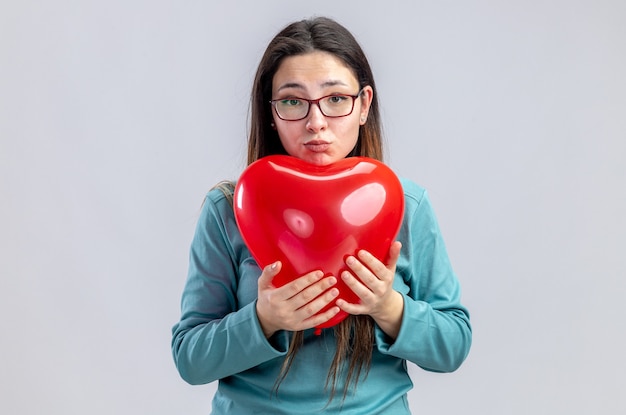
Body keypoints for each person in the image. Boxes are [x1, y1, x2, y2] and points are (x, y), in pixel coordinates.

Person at [171, 16, 471, 414]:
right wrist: (263, 319)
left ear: (363, 105)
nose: (316, 124)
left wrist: (389, 307)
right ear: (272, 112)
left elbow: (453, 347)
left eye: (335, 99)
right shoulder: (228, 209)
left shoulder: (405, 204)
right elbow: (190, 360)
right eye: (293, 101)